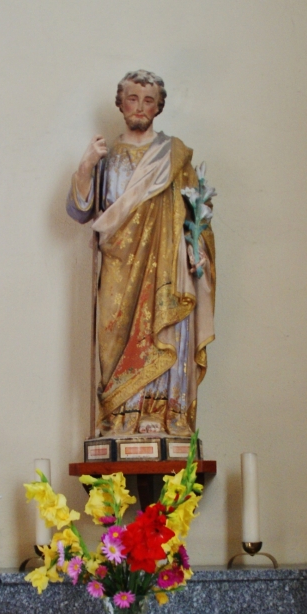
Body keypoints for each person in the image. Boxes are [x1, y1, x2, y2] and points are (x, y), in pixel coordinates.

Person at [67, 70, 215, 437]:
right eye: (132, 98)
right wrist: (86, 165)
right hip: (118, 266)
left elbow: (196, 214)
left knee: (164, 330)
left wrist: (198, 250)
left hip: (166, 264)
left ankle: (165, 415)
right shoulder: (107, 155)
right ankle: (122, 417)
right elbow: (81, 210)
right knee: (115, 338)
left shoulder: (174, 156)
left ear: (158, 107)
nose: (140, 107)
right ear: (121, 103)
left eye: (148, 101)